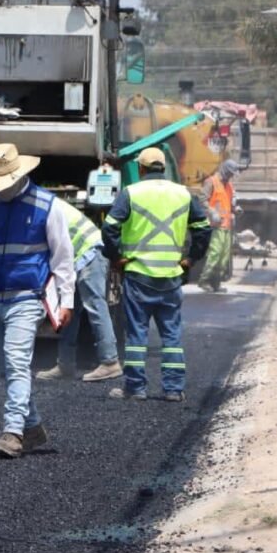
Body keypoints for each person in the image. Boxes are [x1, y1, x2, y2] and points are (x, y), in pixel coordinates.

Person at [0, 144, 76, 458]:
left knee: (17, 363)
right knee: (5, 369)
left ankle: (13, 433)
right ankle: (32, 426)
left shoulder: (47, 206)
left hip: (27, 297)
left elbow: (63, 259)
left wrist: (67, 301)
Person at [102, 147, 211, 402]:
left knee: (137, 335)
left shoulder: (132, 192)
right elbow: (204, 229)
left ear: (140, 169)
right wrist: (190, 259)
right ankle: (173, 389)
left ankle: (135, 388)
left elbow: (109, 229)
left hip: (138, 273)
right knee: (171, 334)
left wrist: (116, 258)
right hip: (171, 276)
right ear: (163, 167)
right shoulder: (183, 194)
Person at [36, 200, 122, 382]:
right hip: (78, 255)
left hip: (88, 252)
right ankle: (65, 365)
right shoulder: (41, 203)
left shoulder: (37, 208)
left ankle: (110, 362)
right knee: (69, 310)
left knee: (94, 303)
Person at [197, 159, 241, 293]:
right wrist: (211, 212)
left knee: (224, 257)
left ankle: (216, 283)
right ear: (224, 170)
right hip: (215, 224)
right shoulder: (211, 182)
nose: (231, 176)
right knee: (215, 254)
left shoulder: (229, 186)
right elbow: (202, 199)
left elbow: (229, 203)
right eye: (229, 173)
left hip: (226, 226)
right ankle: (204, 280)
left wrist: (236, 209)